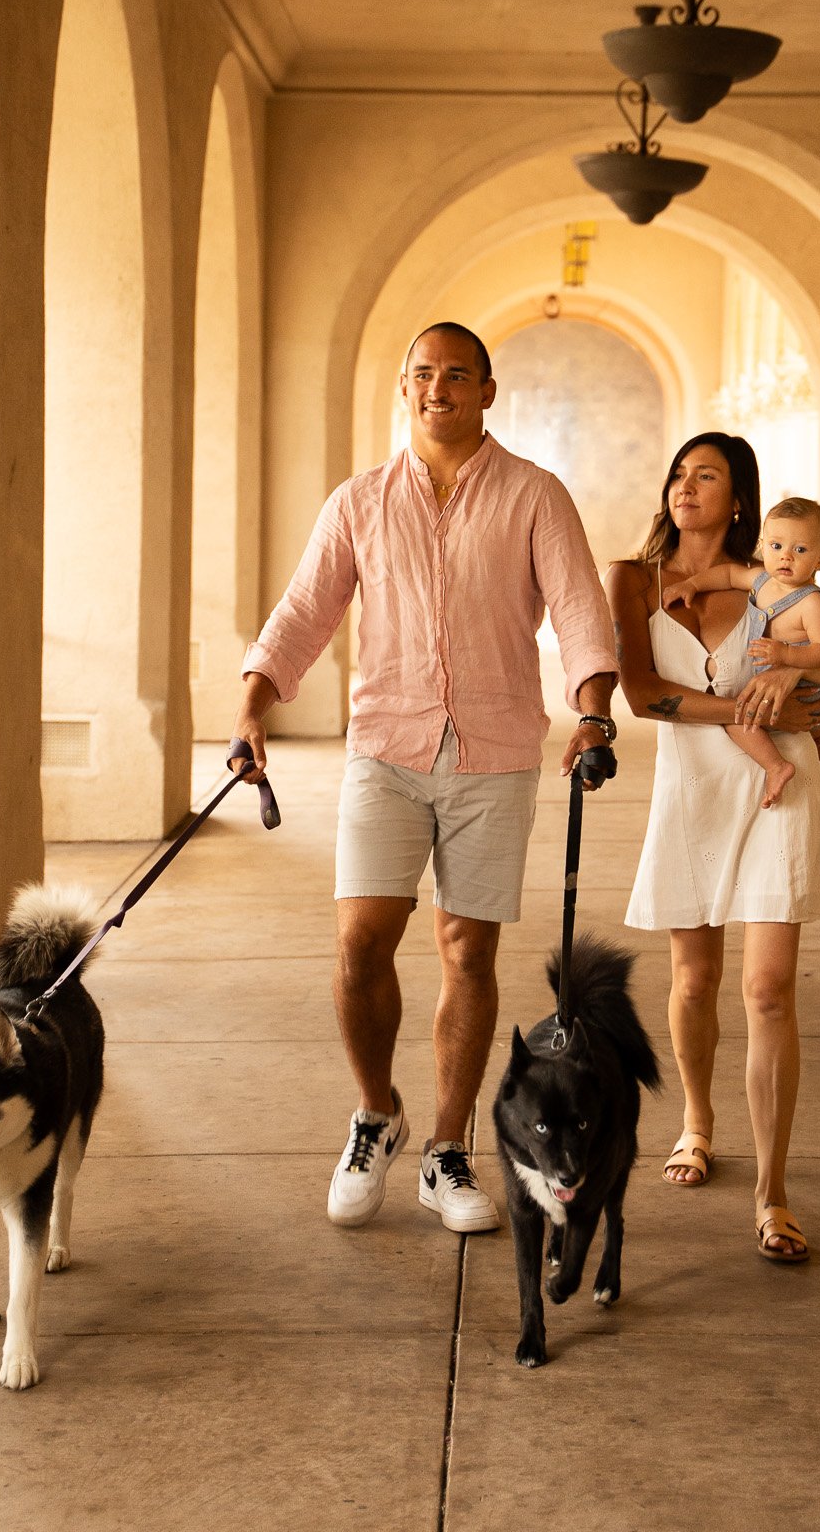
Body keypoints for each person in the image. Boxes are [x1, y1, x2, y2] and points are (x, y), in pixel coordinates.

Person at [229, 322, 618, 1236]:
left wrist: (593, 712)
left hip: (495, 752)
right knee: (361, 942)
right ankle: (378, 1113)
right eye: (422, 375)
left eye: (455, 375)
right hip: (386, 749)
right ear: (403, 390)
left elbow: (577, 608)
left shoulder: (534, 495)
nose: (436, 388)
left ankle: (446, 1148)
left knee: (466, 954)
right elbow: (303, 611)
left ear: (488, 390)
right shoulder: (357, 503)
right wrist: (253, 705)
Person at [607, 433, 820, 1264]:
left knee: (768, 993)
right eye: (678, 474)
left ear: (740, 501)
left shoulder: (774, 581)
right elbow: (644, 693)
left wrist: (794, 681)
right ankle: (696, 1123)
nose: (686, 488)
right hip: (690, 795)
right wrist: (741, 710)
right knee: (694, 981)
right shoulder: (632, 579)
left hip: (781, 789)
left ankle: (772, 1193)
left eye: (708, 477)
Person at [665, 494, 820, 809]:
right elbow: (728, 574)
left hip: (804, 688)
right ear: (763, 545)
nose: (786, 557)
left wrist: (786, 655)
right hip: (786, 684)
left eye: (800, 550)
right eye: (776, 546)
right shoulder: (762, 580)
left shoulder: (811, 602)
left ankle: (776, 765)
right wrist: (693, 584)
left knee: (735, 717)